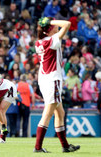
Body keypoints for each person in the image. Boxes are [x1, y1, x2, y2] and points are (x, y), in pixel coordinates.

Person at [34, 17, 80, 153]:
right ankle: (37, 147)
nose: (56, 27)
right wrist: (51, 22)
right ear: (49, 29)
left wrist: (46, 24)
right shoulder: (51, 40)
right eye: (53, 26)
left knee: (60, 113)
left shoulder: (39, 42)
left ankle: (65, 146)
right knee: (47, 113)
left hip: (44, 78)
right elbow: (67, 24)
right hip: (52, 79)